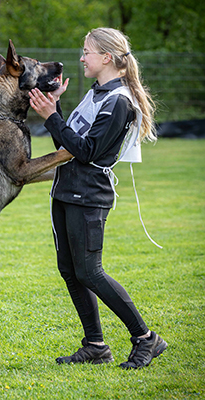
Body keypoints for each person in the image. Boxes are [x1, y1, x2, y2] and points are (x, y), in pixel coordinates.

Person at [29, 27, 167, 369]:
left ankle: (146, 339)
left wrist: (52, 117)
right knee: (70, 271)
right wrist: (56, 109)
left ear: (107, 57)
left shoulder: (119, 101)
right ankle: (95, 345)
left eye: (87, 52)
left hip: (89, 195)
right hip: (65, 190)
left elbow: (88, 151)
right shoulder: (97, 93)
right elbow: (67, 145)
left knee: (90, 271)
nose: (81, 58)